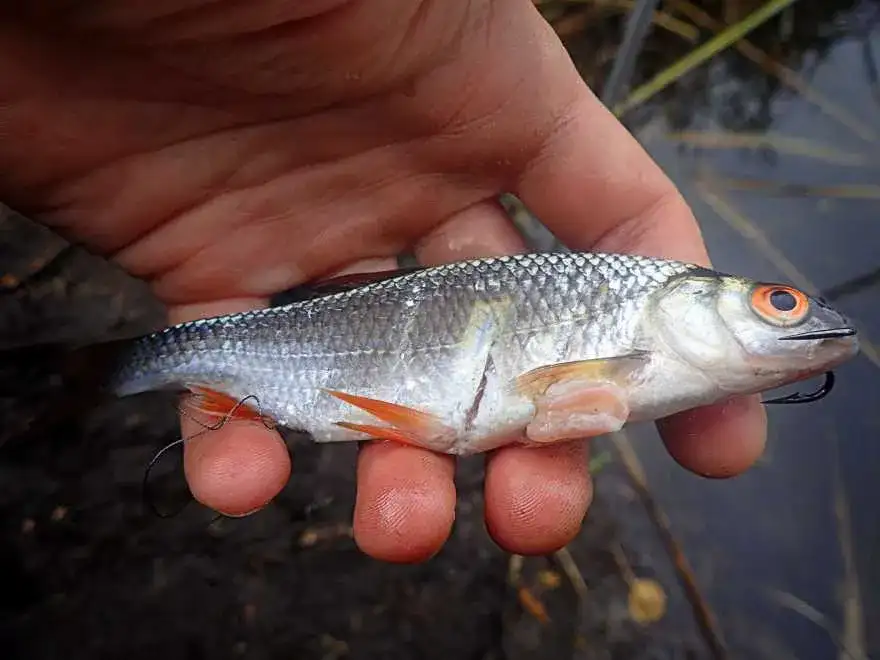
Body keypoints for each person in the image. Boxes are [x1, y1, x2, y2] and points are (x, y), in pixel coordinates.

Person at [0, 0, 766, 563]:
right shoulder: (639, 300)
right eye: (778, 304)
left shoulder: (646, 316)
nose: (791, 317)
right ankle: (76, 379)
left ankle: (68, 383)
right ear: (692, 298)